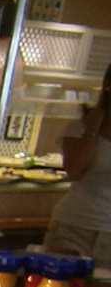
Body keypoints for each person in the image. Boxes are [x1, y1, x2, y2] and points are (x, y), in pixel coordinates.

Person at [45, 63, 111, 267]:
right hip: (74, 226)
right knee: (59, 284)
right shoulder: (81, 126)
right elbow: (74, 170)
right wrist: (92, 131)